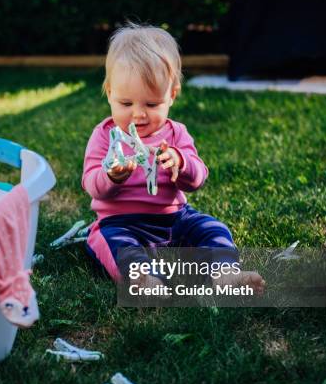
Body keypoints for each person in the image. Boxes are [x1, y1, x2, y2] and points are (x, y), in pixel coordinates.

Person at [82, 22, 264, 294]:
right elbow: (90, 182)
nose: (138, 114)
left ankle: (224, 274)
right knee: (115, 244)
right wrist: (110, 177)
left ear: (172, 95)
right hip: (121, 222)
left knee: (211, 229)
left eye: (152, 104)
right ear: (109, 93)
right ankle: (144, 280)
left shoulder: (176, 134)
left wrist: (181, 163)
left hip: (175, 219)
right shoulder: (105, 135)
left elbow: (199, 177)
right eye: (126, 103)